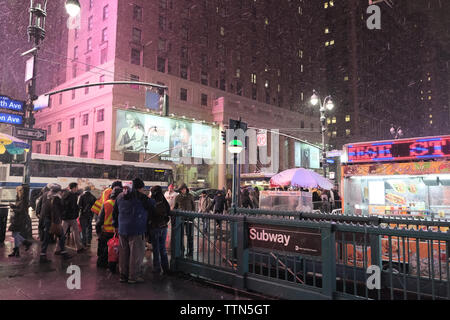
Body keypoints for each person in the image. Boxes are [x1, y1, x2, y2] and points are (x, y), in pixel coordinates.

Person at [112, 178, 155, 284]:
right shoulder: (141, 197)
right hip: (137, 230)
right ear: (140, 188)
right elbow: (152, 204)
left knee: (124, 253)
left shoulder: (120, 196)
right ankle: (133, 276)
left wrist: (116, 226)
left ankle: (123, 275)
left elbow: (115, 212)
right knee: (136, 254)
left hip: (122, 229)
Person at [39, 183, 70, 262]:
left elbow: (41, 206)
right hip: (54, 220)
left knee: (46, 237)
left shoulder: (45, 194)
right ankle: (63, 253)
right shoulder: (56, 198)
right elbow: (56, 211)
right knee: (62, 236)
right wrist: (57, 222)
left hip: (45, 218)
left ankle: (43, 254)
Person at [96, 186, 123, 270]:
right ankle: (114, 264)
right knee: (115, 250)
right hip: (117, 232)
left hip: (106, 232)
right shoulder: (122, 203)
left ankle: (103, 264)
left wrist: (98, 231)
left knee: (104, 249)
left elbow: (100, 220)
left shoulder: (106, 203)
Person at [149, 185, 171, 275]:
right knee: (163, 248)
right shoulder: (163, 200)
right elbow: (168, 211)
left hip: (154, 227)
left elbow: (149, 214)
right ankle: (165, 268)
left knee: (156, 248)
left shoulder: (151, 201)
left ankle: (157, 268)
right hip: (163, 227)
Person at [7, 185, 32, 257]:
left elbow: (22, 210)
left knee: (15, 234)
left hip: (20, 219)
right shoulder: (19, 199)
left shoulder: (23, 200)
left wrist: (13, 209)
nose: (17, 192)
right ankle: (17, 251)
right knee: (15, 235)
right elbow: (19, 208)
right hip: (17, 218)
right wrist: (13, 206)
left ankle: (26, 243)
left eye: (18, 190)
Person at [60, 182, 84, 253]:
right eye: (76, 187)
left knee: (62, 233)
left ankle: (58, 248)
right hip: (72, 217)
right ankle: (79, 247)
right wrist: (76, 213)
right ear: (73, 188)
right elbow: (73, 207)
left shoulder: (64, 194)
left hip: (64, 217)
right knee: (76, 232)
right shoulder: (73, 196)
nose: (77, 189)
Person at [173, 183, 195, 257]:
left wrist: (193, 216)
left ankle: (191, 251)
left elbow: (193, 207)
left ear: (186, 189)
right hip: (181, 219)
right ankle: (181, 250)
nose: (183, 190)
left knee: (190, 235)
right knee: (180, 235)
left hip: (189, 219)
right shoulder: (177, 197)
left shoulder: (190, 196)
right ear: (180, 190)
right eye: (182, 189)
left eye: (184, 189)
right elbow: (175, 208)